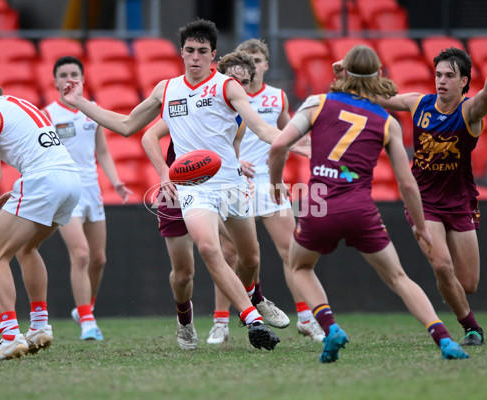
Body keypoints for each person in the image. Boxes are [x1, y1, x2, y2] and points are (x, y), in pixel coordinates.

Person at [64, 19, 307, 350]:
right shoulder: (166, 89)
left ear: (213, 55)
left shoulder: (228, 87)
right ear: (181, 52)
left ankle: (253, 296)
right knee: (208, 248)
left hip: (231, 184)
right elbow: (126, 125)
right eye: (190, 51)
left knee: (249, 259)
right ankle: (252, 319)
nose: (195, 58)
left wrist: (293, 140)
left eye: (202, 52)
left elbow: (262, 129)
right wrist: (80, 102)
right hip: (193, 187)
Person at [268, 45, 469, 362]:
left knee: (300, 266)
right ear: (378, 76)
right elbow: (406, 183)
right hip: (360, 207)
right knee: (399, 278)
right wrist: (419, 226)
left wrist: (276, 185)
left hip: (320, 205)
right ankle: (444, 340)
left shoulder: (317, 104)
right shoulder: (387, 120)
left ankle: (330, 327)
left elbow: (278, 145)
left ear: (343, 73)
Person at [367, 42, 487, 346]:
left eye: (449, 75)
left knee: (468, 283)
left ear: (464, 82)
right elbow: (380, 98)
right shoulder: (419, 104)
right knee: (442, 266)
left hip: (459, 202)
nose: (441, 80)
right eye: (438, 74)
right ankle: (471, 327)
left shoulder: (470, 111)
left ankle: (459, 303)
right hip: (423, 202)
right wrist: (349, 80)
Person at [0, 69, 81, 361]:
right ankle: (39, 326)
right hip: (70, 180)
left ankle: (9, 336)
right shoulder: (20, 102)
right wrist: (24, 190)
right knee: (27, 248)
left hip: (43, 182)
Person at [207, 39, 324, 345]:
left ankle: (307, 319)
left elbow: (288, 134)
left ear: (266, 64)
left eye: (258, 60)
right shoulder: (223, 95)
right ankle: (221, 323)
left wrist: (312, 149)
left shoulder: (277, 97)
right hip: (233, 179)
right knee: (230, 254)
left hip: (268, 181)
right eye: (248, 60)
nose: (254, 65)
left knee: (291, 250)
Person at [142, 50, 259, 349]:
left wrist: (237, 165)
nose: (237, 87)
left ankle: (238, 313)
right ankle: (185, 319)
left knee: (231, 251)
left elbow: (228, 151)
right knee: (183, 274)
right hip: (176, 192)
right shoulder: (187, 101)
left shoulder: (237, 118)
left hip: (213, 191)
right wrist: (165, 174)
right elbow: (146, 135)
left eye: (244, 84)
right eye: (234, 81)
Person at [42, 56, 132, 342]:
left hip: (92, 189)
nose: (69, 78)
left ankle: (84, 309)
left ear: (83, 79)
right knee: (80, 254)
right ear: (55, 80)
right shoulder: (47, 115)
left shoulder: (91, 112)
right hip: (64, 190)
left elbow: (102, 151)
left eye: (74, 74)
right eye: (64, 74)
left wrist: (115, 181)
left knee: (98, 259)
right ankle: (88, 322)